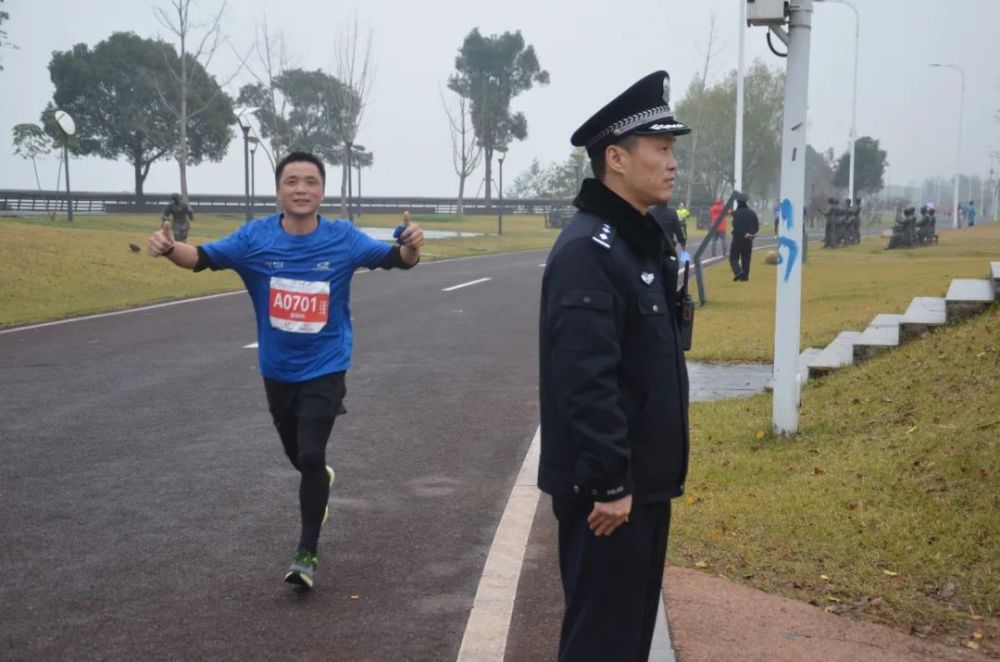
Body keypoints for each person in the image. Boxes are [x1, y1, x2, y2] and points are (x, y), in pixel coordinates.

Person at [146, 151, 425, 590]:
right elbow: (199, 257)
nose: (301, 189)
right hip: (277, 369)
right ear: (279, 190)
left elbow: (400, 260)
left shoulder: (343, 239)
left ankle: (306, 553)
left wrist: (411, 243)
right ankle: (318, 480)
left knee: (312, 455)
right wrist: (167, 250)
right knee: (302, 458)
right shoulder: (255, 239)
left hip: (327, 364)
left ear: (322, 191)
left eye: (310, 182)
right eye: (292, 181)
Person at [538, 70, 691, 661]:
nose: (672, 162)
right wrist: (610, 481)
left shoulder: (636, 240)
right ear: (617, 159)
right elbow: (585, 379)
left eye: (671, 148)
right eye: (662, 148)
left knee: (625, 641)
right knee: (600, 645)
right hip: (609, 496)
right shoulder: (589, 250)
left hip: (641, 487)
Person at [729, 192, 760, 281]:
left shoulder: (737, 213)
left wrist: (744, 233)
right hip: (749, 239)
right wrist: (751, 233)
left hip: (738, 238)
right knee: (746, 259)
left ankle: (738, 272)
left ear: (738, 202)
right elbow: (756, 226)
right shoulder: (752, 213)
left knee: (734, 258)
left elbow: (736, 225)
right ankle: (745, 277)